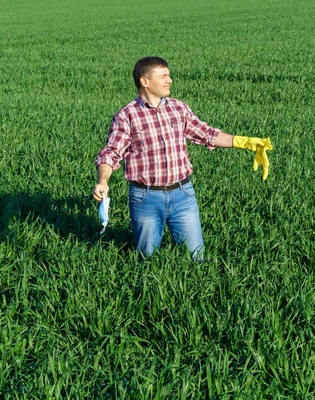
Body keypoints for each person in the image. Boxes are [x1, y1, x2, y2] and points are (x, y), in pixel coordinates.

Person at [92, 56, 272, 260]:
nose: (170, 80)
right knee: (147, 258)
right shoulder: (127, 116)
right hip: (146, 198)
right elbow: (111, 152)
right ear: (145, 81)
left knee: (196, 257)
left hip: (183, 195)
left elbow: (207, 134)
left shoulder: (179, 108)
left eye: (169, 75)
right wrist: (103, 181)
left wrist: (245, 142)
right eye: (164, 76)